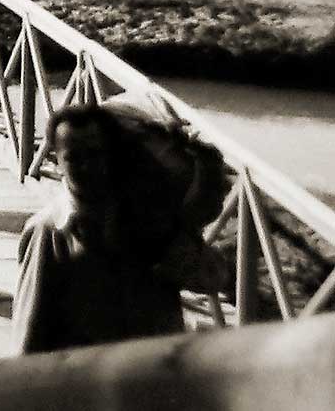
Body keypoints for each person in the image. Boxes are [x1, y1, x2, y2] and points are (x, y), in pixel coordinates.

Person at [14, 103, 230, 355]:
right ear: (55, 159)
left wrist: (167, 239)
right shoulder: (49, 232)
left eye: (94, 154)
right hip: (87, 379)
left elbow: (212, 279)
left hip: (154, 372)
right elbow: (30, 328)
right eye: (74, 157)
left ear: (112, 155)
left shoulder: (147, 217)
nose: (86, 166)